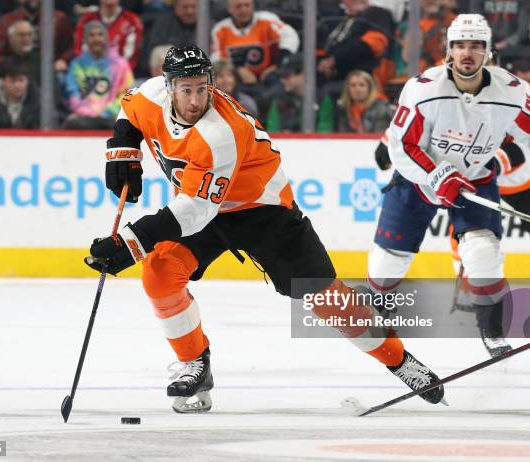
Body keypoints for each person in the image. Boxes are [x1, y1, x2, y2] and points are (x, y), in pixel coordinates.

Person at [83, 44, 445, 413]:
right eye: (186, 89)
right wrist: (123, 150)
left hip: (263, 212)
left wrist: (130, 242)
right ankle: (196, 364)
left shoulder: (220, 132)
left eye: (202, 88)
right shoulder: (149, 95)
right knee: (159, 274)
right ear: (169, 87)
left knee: (325, 299)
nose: (195, 100)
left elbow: (196, 209)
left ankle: (400, 360)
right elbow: (129, 114)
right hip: (201, 206)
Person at [367, 14, 530, 358]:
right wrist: (437, 176)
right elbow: (402, 146)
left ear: (488, 52)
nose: (467, 53)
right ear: (448, 51)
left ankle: (491, 330)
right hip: (417, 180)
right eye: (460, 45)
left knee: (483, 253)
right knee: (388, 261)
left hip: (475, 179)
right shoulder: (423, 88)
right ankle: (378, 312)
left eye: (476, 46)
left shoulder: (514, 92)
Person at [211, 0, 300, 88]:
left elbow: (290, 36)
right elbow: (217, 59)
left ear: (253, 6)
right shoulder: (220, 29)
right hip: (237, 78)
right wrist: (237, 70)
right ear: (229, 9)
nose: (244, 10)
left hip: (270, 74)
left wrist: (277, 65)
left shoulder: (267, 20)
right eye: (238, 6)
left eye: (247, 5)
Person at [63, 21, 134, 130]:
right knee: (72, 123)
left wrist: (106, 113)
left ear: (106, 38)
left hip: (113, 117)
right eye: (92, 35)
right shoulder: (77, 65)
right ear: (86, 40)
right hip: (84, 117)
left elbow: (127, 94)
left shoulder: (121, 65)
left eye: (100, 35)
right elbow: (73, 94)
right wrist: (88, 112)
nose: (96, 39)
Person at [74, 0, 144, 72]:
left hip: (122, 74)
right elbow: (79, 52)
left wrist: (114, 74)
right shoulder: (86, 21)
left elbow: (132, 58)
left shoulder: (132, 20)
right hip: (88, 73)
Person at [321, 69, 394, 133]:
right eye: (353, 85)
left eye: (361, 85)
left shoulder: (381, 108)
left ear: (369, 88)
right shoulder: (342, 109)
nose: (357, 89)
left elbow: (380, 135)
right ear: (348, 89)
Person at [0, 57, 40, 128]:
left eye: (21, 80)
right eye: (12, 81)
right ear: (3, 81)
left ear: (27, 80)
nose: (17, 85)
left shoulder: (38, 100)